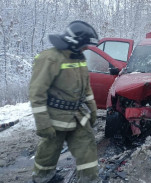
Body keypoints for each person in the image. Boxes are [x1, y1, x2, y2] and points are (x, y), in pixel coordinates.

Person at [29, 20, 99, 183]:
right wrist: (43, 123)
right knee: (49, 150)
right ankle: (42, 178)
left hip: (78, 115)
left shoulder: (79, 57)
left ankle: (90, 179)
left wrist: (93, 108)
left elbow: (86, 88)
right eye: (85, 45)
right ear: (75, 42)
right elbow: (37, 93)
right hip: (55, 118)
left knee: (87, 147)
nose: (87, 49)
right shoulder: (50, 58)